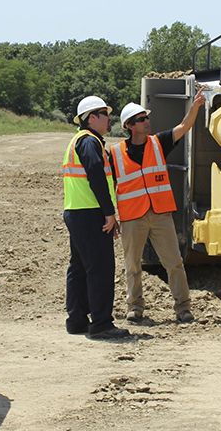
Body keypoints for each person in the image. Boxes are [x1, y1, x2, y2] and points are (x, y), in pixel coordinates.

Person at [110, 91, 205, 324]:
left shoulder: (158, 143)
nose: (147, 122)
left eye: (146, 118)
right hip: (133, 217)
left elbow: (184, 127)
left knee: (174, 262)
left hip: (161, 214)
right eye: (141, 119)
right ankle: (135, 307)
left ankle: (183, 308)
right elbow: (106, 185)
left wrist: (195, 107)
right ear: (129, 126)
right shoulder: (114, 154)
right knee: (132, 265)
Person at [60, 95, 130, 340]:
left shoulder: (77, 141)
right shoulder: (90, 142)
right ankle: (101, 323)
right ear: (92, 118)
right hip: (91, 214)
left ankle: (76, 320)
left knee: (79, 268)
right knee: (100, 268)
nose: (108, 117)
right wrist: (109, 213)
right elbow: (96, 177)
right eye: (104, 113)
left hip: (77, 212)